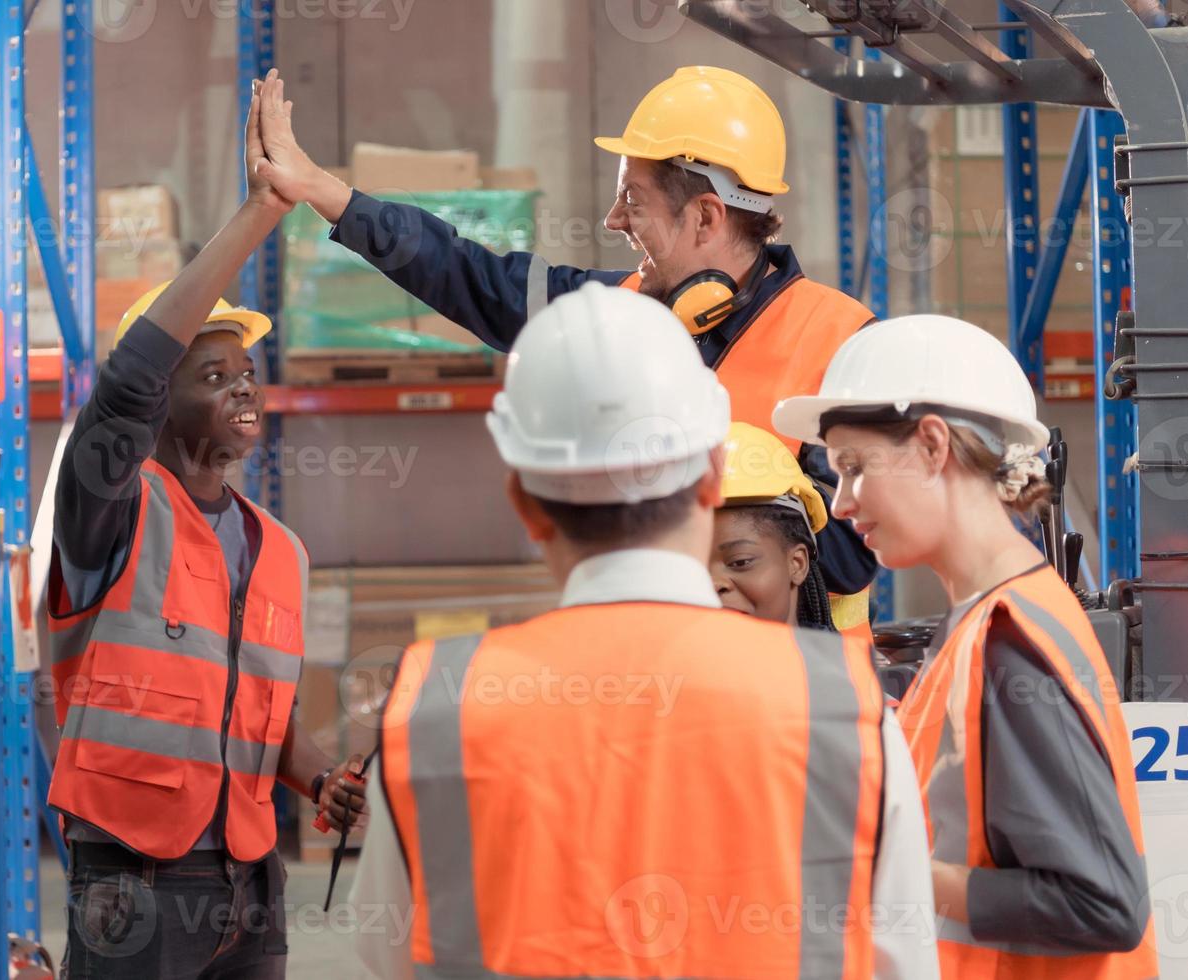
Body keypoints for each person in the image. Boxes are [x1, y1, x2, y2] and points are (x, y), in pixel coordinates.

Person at [348, 283, 938, 979]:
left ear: (523, 502)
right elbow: (903, 959)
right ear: (712, 475)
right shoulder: (843, 708)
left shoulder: (436, 709)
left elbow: (385, 953)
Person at [250, 65, 880, 633]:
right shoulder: (620, 315)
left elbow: (852, 557)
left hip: (803, 706)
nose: (613, 219)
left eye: (633, 199)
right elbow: (472, 277)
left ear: (708, 217)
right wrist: (321, 191)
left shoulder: (842, 341)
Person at [44, 76, 366, 979]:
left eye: (246, 372)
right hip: (134, 877)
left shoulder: (281, 551)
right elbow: (124, 381)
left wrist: (320, 781)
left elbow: (263, 719)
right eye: (212, 373)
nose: (242, 387)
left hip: (251, 878)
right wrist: (264, 211)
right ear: (161, 402)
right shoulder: (109, 509)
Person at [772, 314, 1157, 977]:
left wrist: (879, 871)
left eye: (852, 467)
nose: (839, 504)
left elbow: (1099, 903)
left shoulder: (1009, 640)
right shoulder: (986, 621)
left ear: (930, 445)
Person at [715, 421, 837, 631]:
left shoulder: (844, 664)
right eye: (693, 569)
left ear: (797, 563)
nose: (713, 584)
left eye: (740, 562)